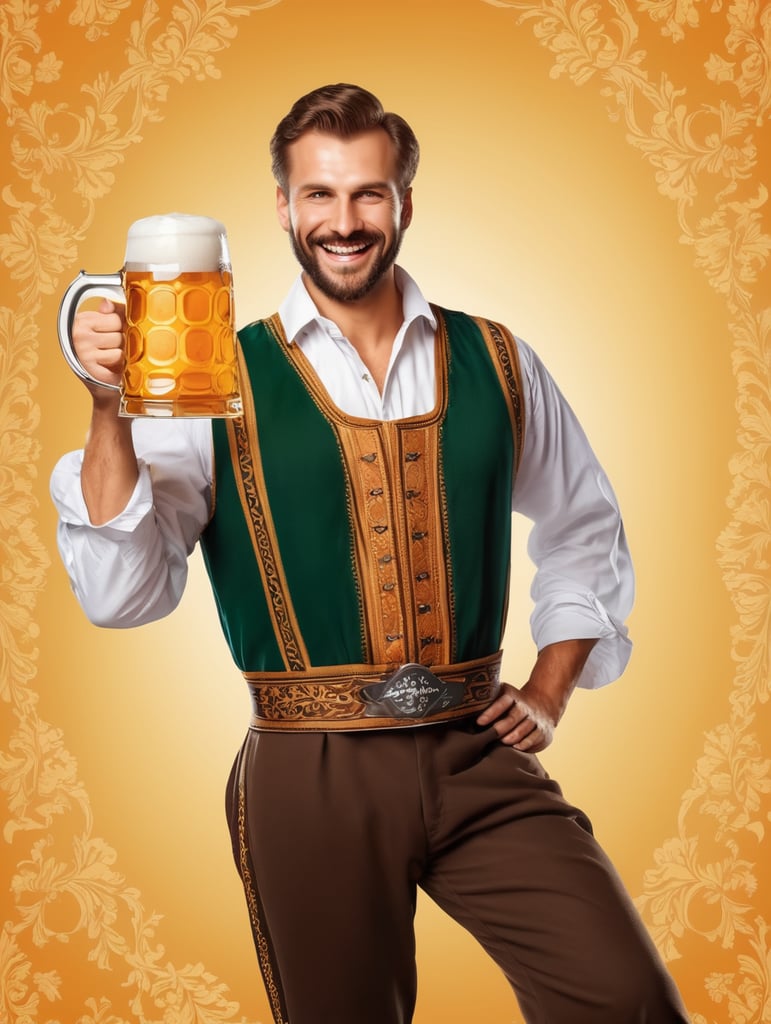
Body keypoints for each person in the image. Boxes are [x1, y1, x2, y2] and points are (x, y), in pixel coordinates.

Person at [51, 83, 688, 1024]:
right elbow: (120, 594)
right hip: (312, 770)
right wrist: (108, 405)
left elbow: (584, 525)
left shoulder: (497, 358)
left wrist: (549, 691)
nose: (342, 222)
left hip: (478, 754)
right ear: (283, 206)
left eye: (367, 195)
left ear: (403, 204)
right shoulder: (215, 378)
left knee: (624, 996)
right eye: (319, 195)